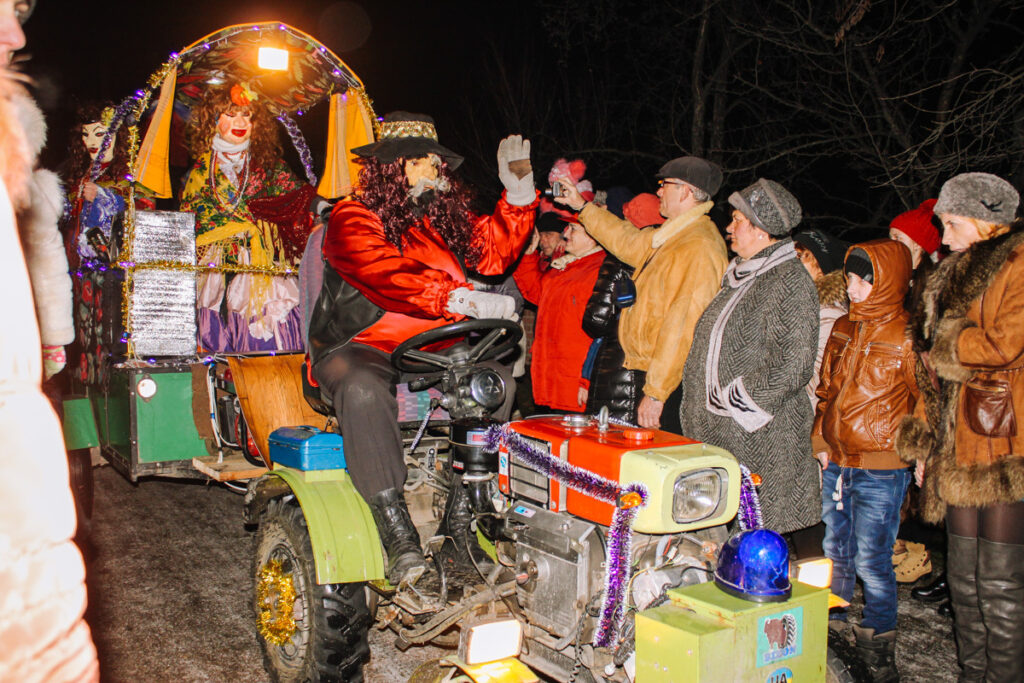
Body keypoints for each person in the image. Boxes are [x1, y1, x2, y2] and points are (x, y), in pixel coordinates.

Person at [308, 112, 536, 584]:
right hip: (363, 345)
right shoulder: (352, 216)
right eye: (425, 161)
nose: (437, 169)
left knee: (492, 382)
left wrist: (517, 193)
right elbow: (382, 271)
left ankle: (461, 518)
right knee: (362, 388)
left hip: (434, 349)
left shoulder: (441, 219)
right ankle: (396, 530)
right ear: (396, 166)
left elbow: (492, 252)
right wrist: (455, 297)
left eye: (438, 161)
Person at [0, 1, 100, 680]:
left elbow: (48, 271)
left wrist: (57, 337)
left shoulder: (34, 192)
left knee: (60, 445)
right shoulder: (48, 191)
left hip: (39, 342)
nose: (18, 35)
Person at [897, 172, 1024, 682]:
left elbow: (1002, 345)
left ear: (984, 220)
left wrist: (947, 340)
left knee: (999, 583)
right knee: (965, 583)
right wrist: (925, 448)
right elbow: (933, 378)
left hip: (1002, 440)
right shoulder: (953, 273)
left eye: (951, 224)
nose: (943, 238)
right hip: (955, 444)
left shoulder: (1017, 265)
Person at [679, 178, 820, 536]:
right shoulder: (742, 276)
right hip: (726, 437)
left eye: (738, 219)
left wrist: (735, 405)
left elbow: (793, 361)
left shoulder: (788, 279)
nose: (729, 227)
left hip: (761, 439)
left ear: (762, 229)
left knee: (760, 541)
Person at [555, 157, 728, 430]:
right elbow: (625, 239)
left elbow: (683, 327)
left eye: (665, 184)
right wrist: (582, 206)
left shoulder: (698, 247)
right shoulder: (670, 237)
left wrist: (657, 393)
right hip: (643, 373)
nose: (659, 191)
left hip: (662, 384)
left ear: (685, 190)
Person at [813, 240, 918, 681]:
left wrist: (922, 452)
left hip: (882, 466)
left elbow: (927, 401)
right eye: (850, 278)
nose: (851, 287)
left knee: (872, 557)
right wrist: (819, 439)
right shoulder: (842, 328)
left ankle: (878, 641)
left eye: (861, 279)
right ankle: (830, 628)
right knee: (834, 549)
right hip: (837, 460)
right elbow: (826, 393)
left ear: (885, 282)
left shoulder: (908, 335)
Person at [181, 82, 317, 353]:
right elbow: (189, 224)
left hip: (265, 267)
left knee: (275, 334)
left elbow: (299, 198)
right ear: (214, 121)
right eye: (230, 114)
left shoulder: (269, 166)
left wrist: (323, 204)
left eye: (247, 115)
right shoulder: (199, 172)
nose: (240, 122)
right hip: (215, 269)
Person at [581, 193, 660, 422]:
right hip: (652, 367)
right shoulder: (667, 254)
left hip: (618, 366)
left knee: (610, 437)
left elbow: (596, 319)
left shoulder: (619, 257)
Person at [515, 219, 604, 412]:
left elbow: (603, 336)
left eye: (573, 229)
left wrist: (589, 380)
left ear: (594, 235)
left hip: (577, 385)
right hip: (554, 379)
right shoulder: (567, 266)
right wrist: (529, 255)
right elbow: (539, 293)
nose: (566, 234)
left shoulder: (600, 271)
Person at [793, 229, 850, 411]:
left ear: (820, 267)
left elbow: (816, 383)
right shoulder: (797, 303)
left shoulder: (829, 315)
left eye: (800, 256)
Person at [889, 198, 940, 311]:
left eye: (898, 237)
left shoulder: (935, 283)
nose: (892, 243)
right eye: (891, 237)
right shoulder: (890, 274)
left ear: (918, 244)